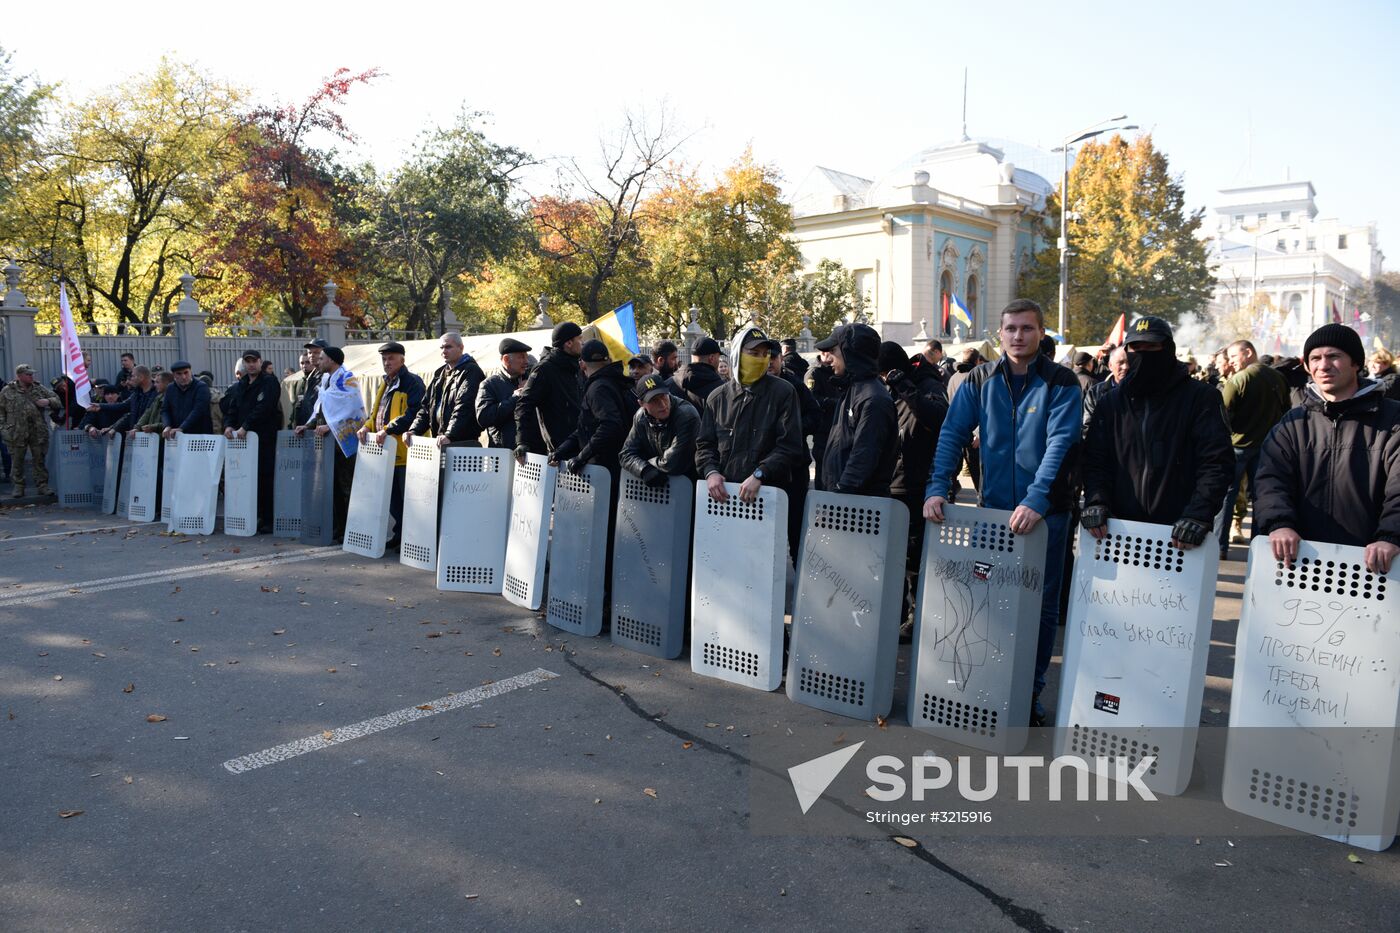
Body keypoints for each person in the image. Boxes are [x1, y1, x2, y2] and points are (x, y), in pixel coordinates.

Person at [924, 299, 1082, 726]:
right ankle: (988, 682)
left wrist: (1037, 499)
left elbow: (1060, 444)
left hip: (1047, 514)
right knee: (987, 597)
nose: (1017, 336)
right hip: (993, 513)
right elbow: (953, 433)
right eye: (1010, 328)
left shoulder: (1062, 382)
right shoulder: (979, 378)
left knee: (1041, 606)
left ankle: (1028, 693)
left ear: (1041, 331)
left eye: (1027, 328)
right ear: (1000, 332)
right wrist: (938, 487)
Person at [1254, 323, 1400, 575]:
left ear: (1356, 363)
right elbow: (1270, 479)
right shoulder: (1293, 422)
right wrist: (1279, 523)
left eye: (1333, 356)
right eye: (1315, 358)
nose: (1323, 365)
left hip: (1374, 568)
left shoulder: (1393, 419)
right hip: (1301, 563)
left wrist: (1391, 536)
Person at [1080, 316, 1234, 550]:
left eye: (1152, 347)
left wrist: (1198, 514)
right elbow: (1095, 460)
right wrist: (1096, 501)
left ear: (1168, 349)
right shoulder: (1111, 403)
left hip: (1182, 536)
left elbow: (1216, 462)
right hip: (1118, 532)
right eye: (1136, 347)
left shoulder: (1201, 398)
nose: (1143, 353)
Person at [879, 341, 948, 630]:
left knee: (918, 558)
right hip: (893, 482)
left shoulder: (926, 384)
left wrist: (906, 387)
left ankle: (918, 619)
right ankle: (899, 615)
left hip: (917, 484)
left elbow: (938, 417)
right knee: (895, 556)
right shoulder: (890, 389)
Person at [695, 325, 804, 506]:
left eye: (765, 354)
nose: (762, 360)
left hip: (768, 497)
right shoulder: (717, 398)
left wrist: (760, 474)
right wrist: (711, 471)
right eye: (754, 353)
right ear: (738, 353)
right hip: (724, 498)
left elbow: (790, 446)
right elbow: (705, 444)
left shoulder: (783, 392)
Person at [1213, 339, 1291, 558]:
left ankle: (1220, 546)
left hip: (1237, 447)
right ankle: (1258, 548)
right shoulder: (1278, 378)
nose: (1231, 361)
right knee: (1262, 499)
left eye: (1234, 357)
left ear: (1248, 353)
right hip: (1267, 448)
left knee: (1226, 497)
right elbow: (1286, 411)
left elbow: (1223, 415)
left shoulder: (1238, 380)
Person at [816, 323, 898, 498]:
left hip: (857, 510)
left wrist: (838, 497)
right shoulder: (852, 390)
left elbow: (863, 456)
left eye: (834, 351)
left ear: (851, 353)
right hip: (844, 504)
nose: (828, 358)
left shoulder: (873, 399)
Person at [359, 341, 426, 549]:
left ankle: (411, 540)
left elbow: (413, 413)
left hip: (405, 451)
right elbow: (375, 413)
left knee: (409, 500)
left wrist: (387, 429)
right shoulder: (385, 383)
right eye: (384, 359)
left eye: (391, 358)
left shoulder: (412, 382)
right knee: (393, 499)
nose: (387, 362)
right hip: (386, 451)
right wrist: (366, 427)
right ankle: (399, 535)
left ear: (402, 360)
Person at [296, 346, 363, 541]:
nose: (318, 361)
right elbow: (321, 407)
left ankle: (352, 529)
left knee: (346, 486)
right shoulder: (326, 380)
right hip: (327, 441)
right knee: (331, 485)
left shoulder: (347, 379)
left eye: (322, 358)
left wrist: (330, 427)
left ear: (332, 361)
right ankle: (338, 527)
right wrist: (308, 425)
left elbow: (352, 410)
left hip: (344, 441)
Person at [549, 340, 637, 479]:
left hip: (605, 469)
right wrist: (562, 450)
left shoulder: (598, 388)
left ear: (582, 364)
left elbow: (610, 425)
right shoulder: (616, 380)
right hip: (618, 465)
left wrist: (582, 457)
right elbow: (587, 426)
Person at [224, 350, 284, 533]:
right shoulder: (241, 383)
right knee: (248, 478)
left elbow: (264, 407)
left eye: (254, 361)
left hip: (264, 438)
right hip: (244, 440)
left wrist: (246, 426)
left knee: (265, 478)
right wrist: (229, 425)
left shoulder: (269, 381)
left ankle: (268, 519)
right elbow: (232, 407)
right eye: (247, 361)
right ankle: (255, 514)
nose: (251, 365)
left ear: (260, 362)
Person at [770, 340, 820, 561]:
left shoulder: (795, 385)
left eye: (773, 357)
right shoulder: (753, 385)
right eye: (763, 357)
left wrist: (793, 427)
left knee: (796, 526)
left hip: (794, 468)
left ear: (781, 358)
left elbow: (815, 416)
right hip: (765, 470)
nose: (769, 362)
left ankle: (800, 577)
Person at [402, 331, 485, 450]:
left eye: (448, 347)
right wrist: (414, 430)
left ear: (461, 348)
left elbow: (464, 407)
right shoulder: (440, 374)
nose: (444, 351)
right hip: (441, 441)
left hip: (463, 443)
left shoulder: (471, 371)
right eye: (442, 347)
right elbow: (426, 408)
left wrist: (450, 435)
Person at [514, 321, 584, 461]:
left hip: (580, 445)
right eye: (580, 339)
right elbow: (524, 404)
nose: (583, 343)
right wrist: (522, 441)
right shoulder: (545, 369)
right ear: (569, 343)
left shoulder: (577, 367)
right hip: (559, 450)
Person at [620, 374, 699, 485]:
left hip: (687, 484)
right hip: (658, 486)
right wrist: (644, 469)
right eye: (653, 400)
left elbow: (673, 463)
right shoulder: (640, 417)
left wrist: (646, 463)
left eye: (663, 396)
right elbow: (625, 454)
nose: (662, 404)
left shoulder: (686, 415)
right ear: (641, 404)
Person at [0, 364, 58, 497]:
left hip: (37, 430)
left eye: (32, 374)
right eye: (28, 374)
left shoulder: (39, 388)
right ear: (19, 376)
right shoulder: (7, 391)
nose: (31, 376)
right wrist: (3, 428)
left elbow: (57, 400)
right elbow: (1, 411)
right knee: (17, 459)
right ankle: (18, 487)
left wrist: (48, 401)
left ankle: (42, 485)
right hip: (16, 431)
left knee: (39, 458)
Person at [477, 337, 531, 451]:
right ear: (506, 360)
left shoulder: (530, 380)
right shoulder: (489, 385)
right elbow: (484, 418)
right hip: (502, 453)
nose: (526, 361)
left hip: (529, 452)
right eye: (521, 357)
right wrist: (515, 398)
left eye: (526, 356)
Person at [1082, 345, 1128, 435]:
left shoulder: (1141, 390)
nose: (1125, 367)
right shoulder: (1095, 392)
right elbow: (1088, 427)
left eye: (1129, 362)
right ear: (1110, 366)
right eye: (1120, 363)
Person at [161, 361, 213, 438]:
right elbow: (165, 410)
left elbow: (198, 410)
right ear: (174, 375)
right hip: (176, 436)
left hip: (199, 436)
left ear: (190, 372)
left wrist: (182, 428)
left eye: (186, 373)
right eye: (179, 374)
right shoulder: (171, 388)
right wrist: (167, 425)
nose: (183, 377)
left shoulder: (201, 387)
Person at [672, 336, 725, 411]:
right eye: (718, 357)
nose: (719, 361)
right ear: (712, 358)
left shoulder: (671, 382)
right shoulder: (721, 389)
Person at [106, 366, 158, 435]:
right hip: (136, 436)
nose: (131, 379)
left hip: (154, 438)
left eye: (133, 376)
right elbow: (125, 409)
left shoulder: (159, 393)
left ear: (141, 377)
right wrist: (100, 406)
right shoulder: (136, 394)